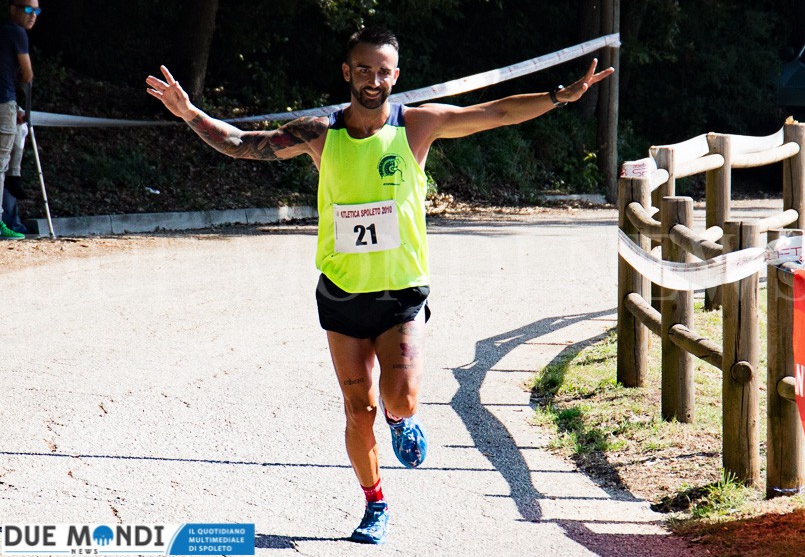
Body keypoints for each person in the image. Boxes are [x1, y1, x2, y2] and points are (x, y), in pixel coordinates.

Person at [146, 27, 612, 544]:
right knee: (357, 410)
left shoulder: (416, 125)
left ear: (396, 75)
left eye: (383, 71)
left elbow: (496, 112)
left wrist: (558, 96)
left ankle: (401, 419)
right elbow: (242, 145)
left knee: (401, 399)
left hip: (400, 292)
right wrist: (189, 113)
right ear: (348, 72)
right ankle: (375, 504)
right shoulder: (318, 133)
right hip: (341, 293)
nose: (373, 80)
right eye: (364, 69)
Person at [0, 0, 38, 240]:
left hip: (8, 103)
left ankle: (15, 176)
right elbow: (28, 73)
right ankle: (1, 221)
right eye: (28, 9)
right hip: (4, 102)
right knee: (0, 165)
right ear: (13, 9)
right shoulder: (17, 32)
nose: (33, 14)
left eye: (37, 10)